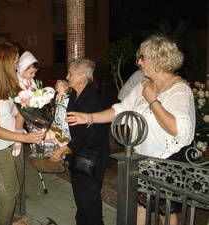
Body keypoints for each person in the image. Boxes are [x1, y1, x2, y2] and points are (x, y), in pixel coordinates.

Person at [66, 34, 196, 225]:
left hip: (168, 157)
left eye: (142, 57)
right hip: (143, 157)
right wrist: (90, 117)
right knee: (142, 205)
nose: (139, 62)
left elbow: (179, 130)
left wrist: (153, 100)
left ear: (157, 59)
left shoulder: (179, 90)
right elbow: (120, 109)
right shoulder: (144, 85)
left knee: (165, 211)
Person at [0, 42, 45, 225]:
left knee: (19, 182)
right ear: (4, 63)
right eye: (15, 60)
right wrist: (24, 137)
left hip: (10, 142)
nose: (17, 63)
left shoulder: (6, 85)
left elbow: (14, 112)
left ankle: (14, 220)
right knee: (10, 189)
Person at [50, 58, 109, 225]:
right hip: (81, 154)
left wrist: (62, 150)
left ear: (82, 76)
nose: (67, 77)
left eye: (71, 73)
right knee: (82, 200)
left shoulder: (92, 99)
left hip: (91, 157)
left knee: (89, 201)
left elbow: (85, 135)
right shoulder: (76, 94)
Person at [13, 51, 39, 156]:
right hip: (17, 106)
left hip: (27, 104)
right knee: (20, 117)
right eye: (31, 73)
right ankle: (17, 139)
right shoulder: (16, 79)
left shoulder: (30, 80)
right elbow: (16, 94)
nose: (33, 75)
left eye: (34, 73)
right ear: (23, 69)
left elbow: (35, 90)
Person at [48, 79, 72, 148]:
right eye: (57, 85)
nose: (58, 87)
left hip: (63, 117)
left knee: (63, 131)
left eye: (61, 85)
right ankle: (57, 144)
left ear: (66, 87)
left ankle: (64, 146)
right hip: (57, 116)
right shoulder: (56, 97)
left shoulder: (67, 97)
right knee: (55, 130)